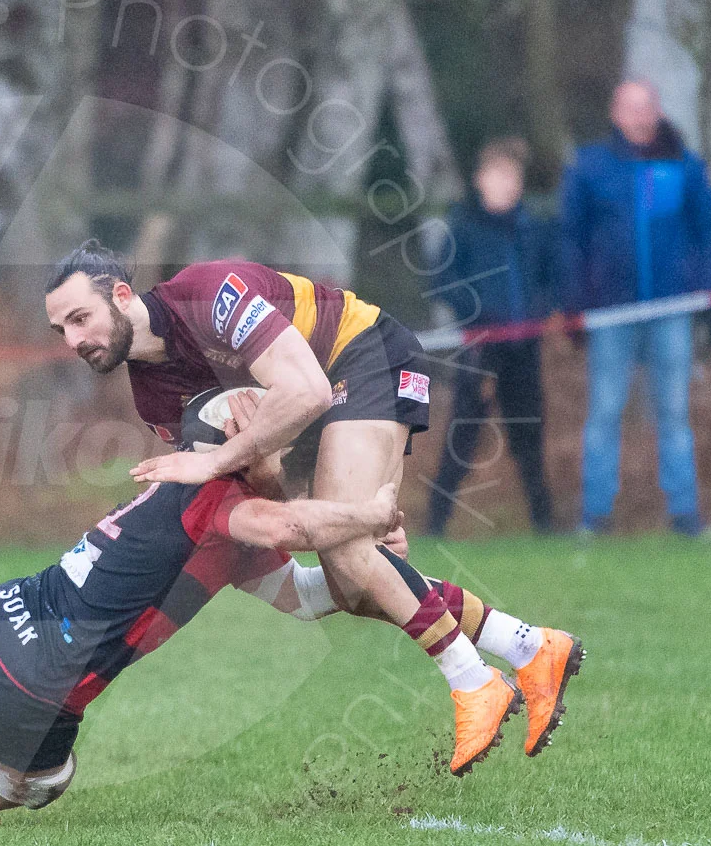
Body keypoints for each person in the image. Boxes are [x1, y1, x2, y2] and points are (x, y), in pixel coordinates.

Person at [44, 243, 580, 773]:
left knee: (347, 553)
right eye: (60, 330)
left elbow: (308, 391)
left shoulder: (208, 296)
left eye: (80, 318)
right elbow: (268, 489)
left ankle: (473, 681)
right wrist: (262, 477)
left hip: (364, 350)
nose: (72, 340)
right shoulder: (154, 399)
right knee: (351, 584)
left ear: (120, 294)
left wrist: (219, 460)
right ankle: (529, 647)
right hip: (319, 413)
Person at [0, 435, 406, 823]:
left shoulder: (174, 486)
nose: (281, 449)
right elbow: (287, 527)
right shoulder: (227, 511)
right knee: (22, 786)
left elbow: (304, 593)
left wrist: (365, 569)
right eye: (273, 434)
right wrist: (371, 519)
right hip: (38, 680)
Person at [560, 79, 711, 537]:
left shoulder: (684, 165)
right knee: (605, 412)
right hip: (611, 315)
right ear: (615, 113)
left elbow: (707, 230)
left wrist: (709, 294)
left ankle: (686, 515)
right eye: (631, 108)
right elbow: (570, 237)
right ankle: (594, 517)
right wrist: (575, 303)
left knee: (673, 412)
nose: (640, 116)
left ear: (657, 110)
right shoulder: (590, 168)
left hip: (672, 310)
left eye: (647, 106)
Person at [426, 138, 556, 535]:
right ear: (480, 181)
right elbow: (441, 278)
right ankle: (436, 523)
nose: (504, 185)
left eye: (511, 177)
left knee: (528, 432)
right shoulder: (463, 227)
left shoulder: (532, 228)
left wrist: (539, 310)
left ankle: (544, 522)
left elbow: (552, 278)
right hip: (481, 348)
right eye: (497, 176)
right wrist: (477, 310)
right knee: (463, 434)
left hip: (523, 346)